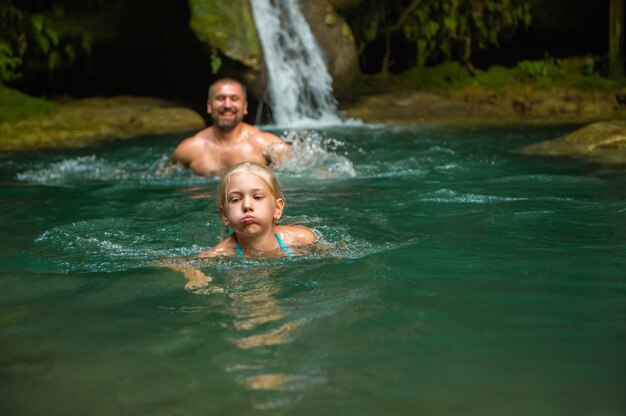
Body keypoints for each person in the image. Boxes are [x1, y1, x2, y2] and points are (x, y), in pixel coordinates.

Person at [164, 162, 317, 289]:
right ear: (225, 215)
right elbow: (169, 262)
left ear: (277, 209)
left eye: (257, 197)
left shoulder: (302, 238)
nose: (247, 206)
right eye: (235, 200)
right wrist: (194, 274)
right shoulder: (223, 253)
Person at [166, 78, 291, 176]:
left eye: (234, 98)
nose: (227, 105)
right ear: (209, 106)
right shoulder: (190, 149)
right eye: (220, 98)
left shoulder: (266, 145)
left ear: (245, 107)